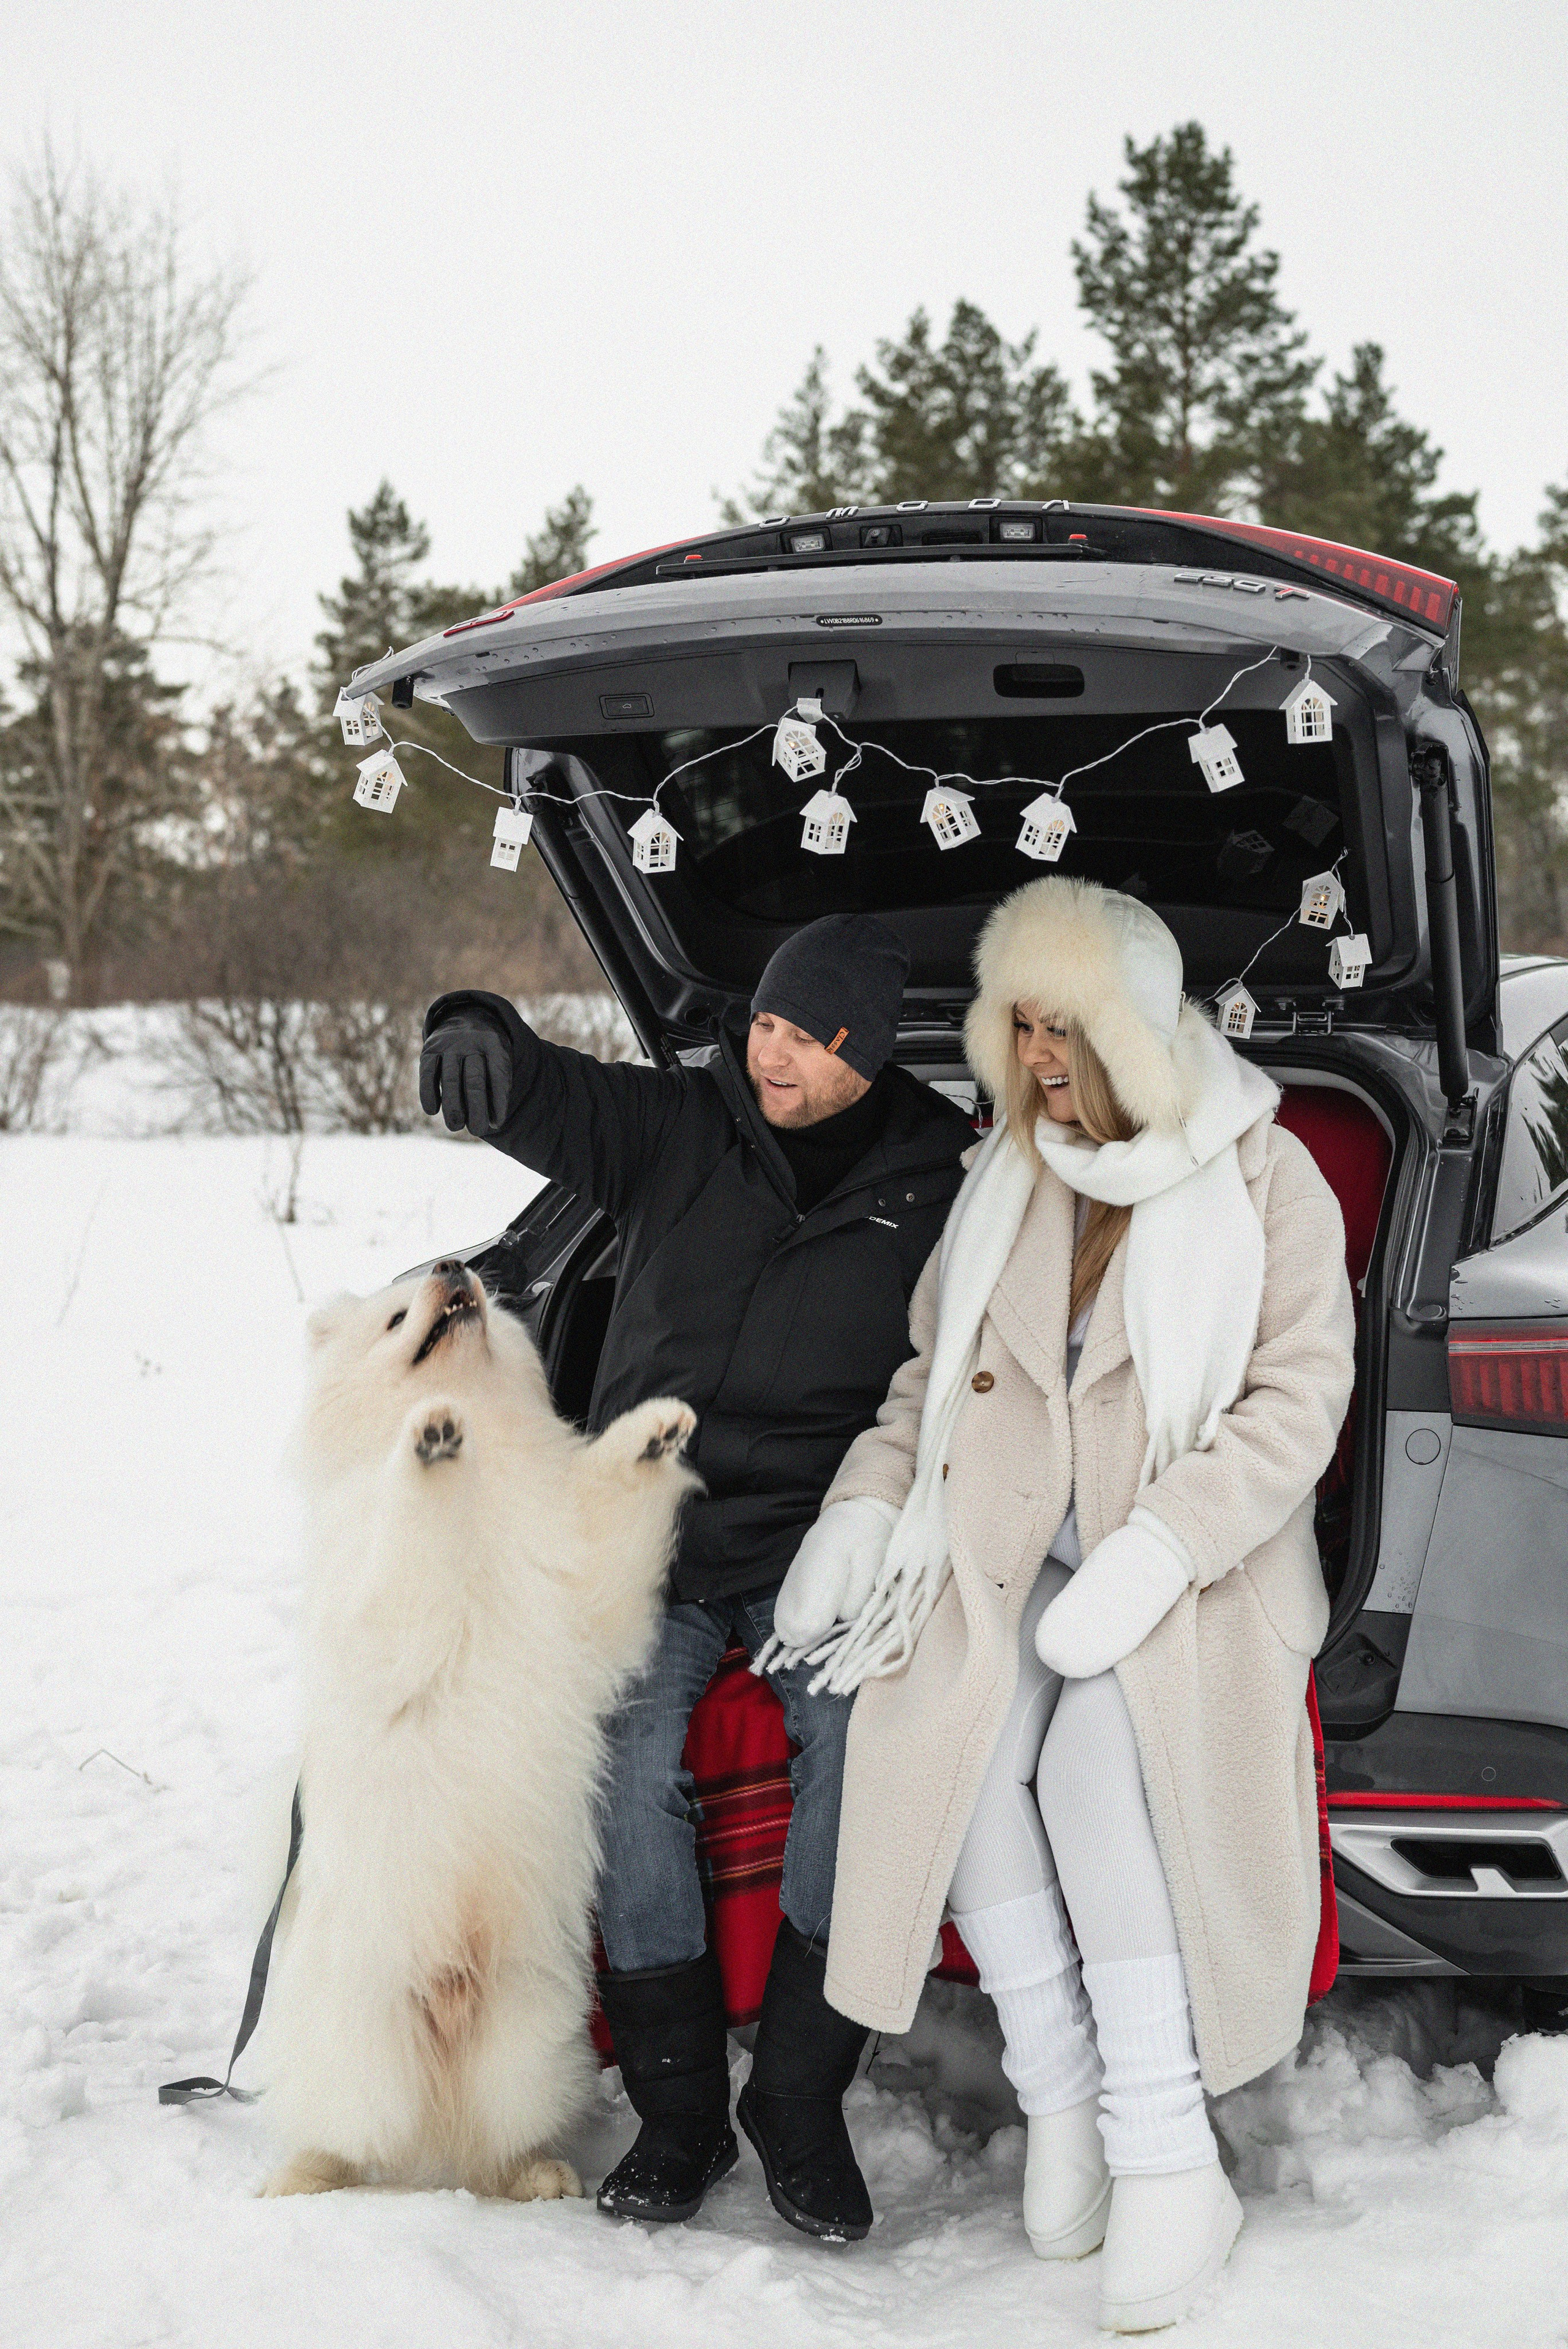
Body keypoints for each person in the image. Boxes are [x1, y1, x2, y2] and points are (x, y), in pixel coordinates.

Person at [769, 877, 1355, 2330]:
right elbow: (927, 1381)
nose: (1036, 1058)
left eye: (1064, 1028)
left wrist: (1160, 1548)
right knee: (957, 1752)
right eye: (1017, 1023)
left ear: (1137, 1027)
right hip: (1012, 1554)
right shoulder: (1006, 1175)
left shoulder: (1263, 1176)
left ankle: (1169, 2154)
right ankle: (1068, 2098)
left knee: (1103, 1762)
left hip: (1191, 1569)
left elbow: (1298, 1402)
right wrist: (862, 1502)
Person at [418, 913, 972, 2241]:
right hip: (644, 1540)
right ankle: (677, 2111)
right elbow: (551, 1097)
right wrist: (475, 1030)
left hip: (817, 1550)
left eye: (799, 1037)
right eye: (762, 1023)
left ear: (866, 1055)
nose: (765, 1052)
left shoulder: (939, 1185)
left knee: (861, 1746)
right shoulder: (681, 1125)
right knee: (621, 1748)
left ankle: (795, 2096)